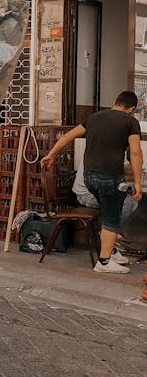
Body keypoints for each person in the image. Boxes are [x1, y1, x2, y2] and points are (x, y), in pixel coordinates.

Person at [42, 91, 142, 274]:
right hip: (110, 177)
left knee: (109, 208)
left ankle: (110, 250)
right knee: (113, 214)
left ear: (115, 102)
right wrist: (137, 181)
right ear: (131, 109)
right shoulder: (130, 122)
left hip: (89, 177)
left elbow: (66, 137)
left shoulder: (94, 117)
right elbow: (135, 152)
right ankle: (103, 262)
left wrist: (50, 155)